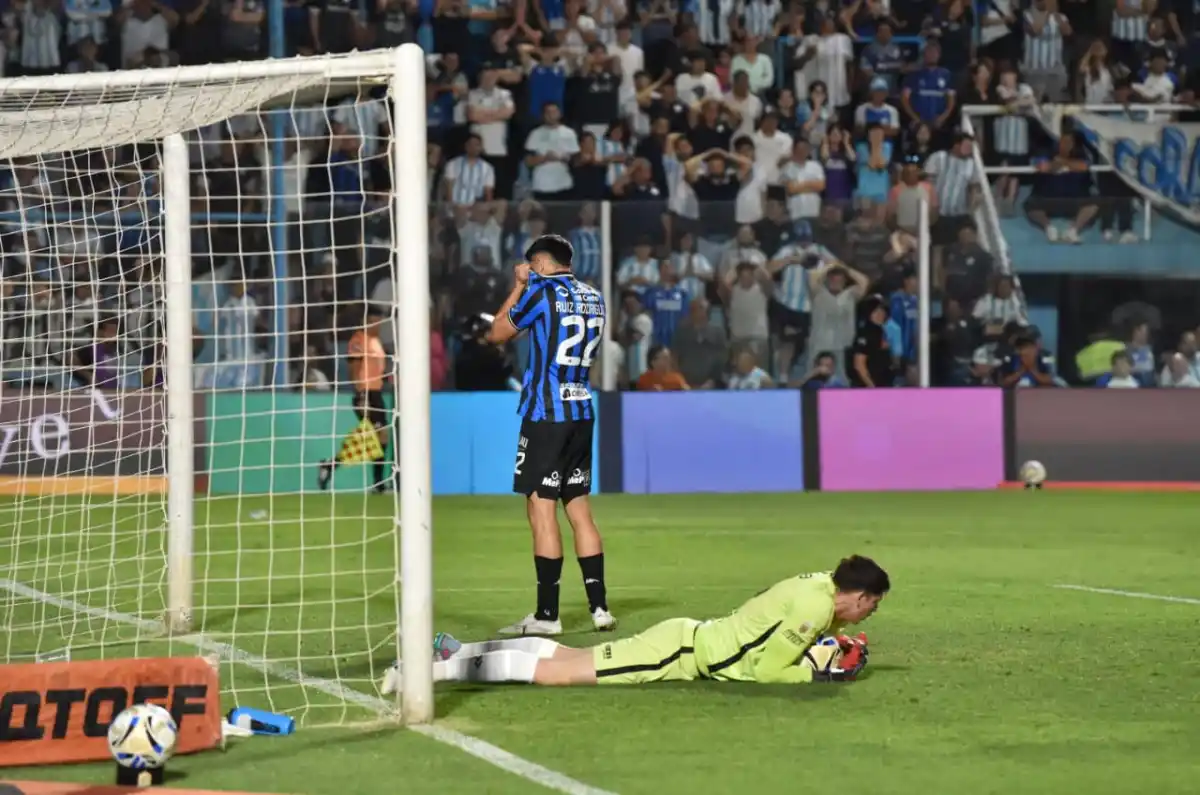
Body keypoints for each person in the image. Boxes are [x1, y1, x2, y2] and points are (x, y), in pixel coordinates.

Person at [379, 555, 887, 691]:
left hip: (688, 637)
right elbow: (769, 671)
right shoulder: (816, 608)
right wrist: (819, 673)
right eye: (873, 605)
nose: (871, 614)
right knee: (558, 672)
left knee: (563, 657)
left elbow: (766, 611)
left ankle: (453, 650)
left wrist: (829, 639)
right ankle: (429, 675)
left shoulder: (819, 583)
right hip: (679, 655)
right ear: (859, 596)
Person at [484, 234, 617, 635]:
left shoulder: (541, 290)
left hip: (546, 414)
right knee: (578, 508)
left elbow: (498, 333)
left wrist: (521, 284)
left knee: (540, 509)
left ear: (540, 263)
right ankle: (600, 609)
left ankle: (547, 617)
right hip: (581, 409)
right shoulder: (595, 296)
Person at [317, 305, 390, 492]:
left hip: (377, 393)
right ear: (366, 321)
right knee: (378, 435)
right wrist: (361, 394)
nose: (378, 325)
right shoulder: (358, 340)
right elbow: (354, 369)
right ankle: (378, 483)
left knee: (375, 438)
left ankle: (330, 465)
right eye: (374, 321)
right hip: (366, 394)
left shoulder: (376, 341)